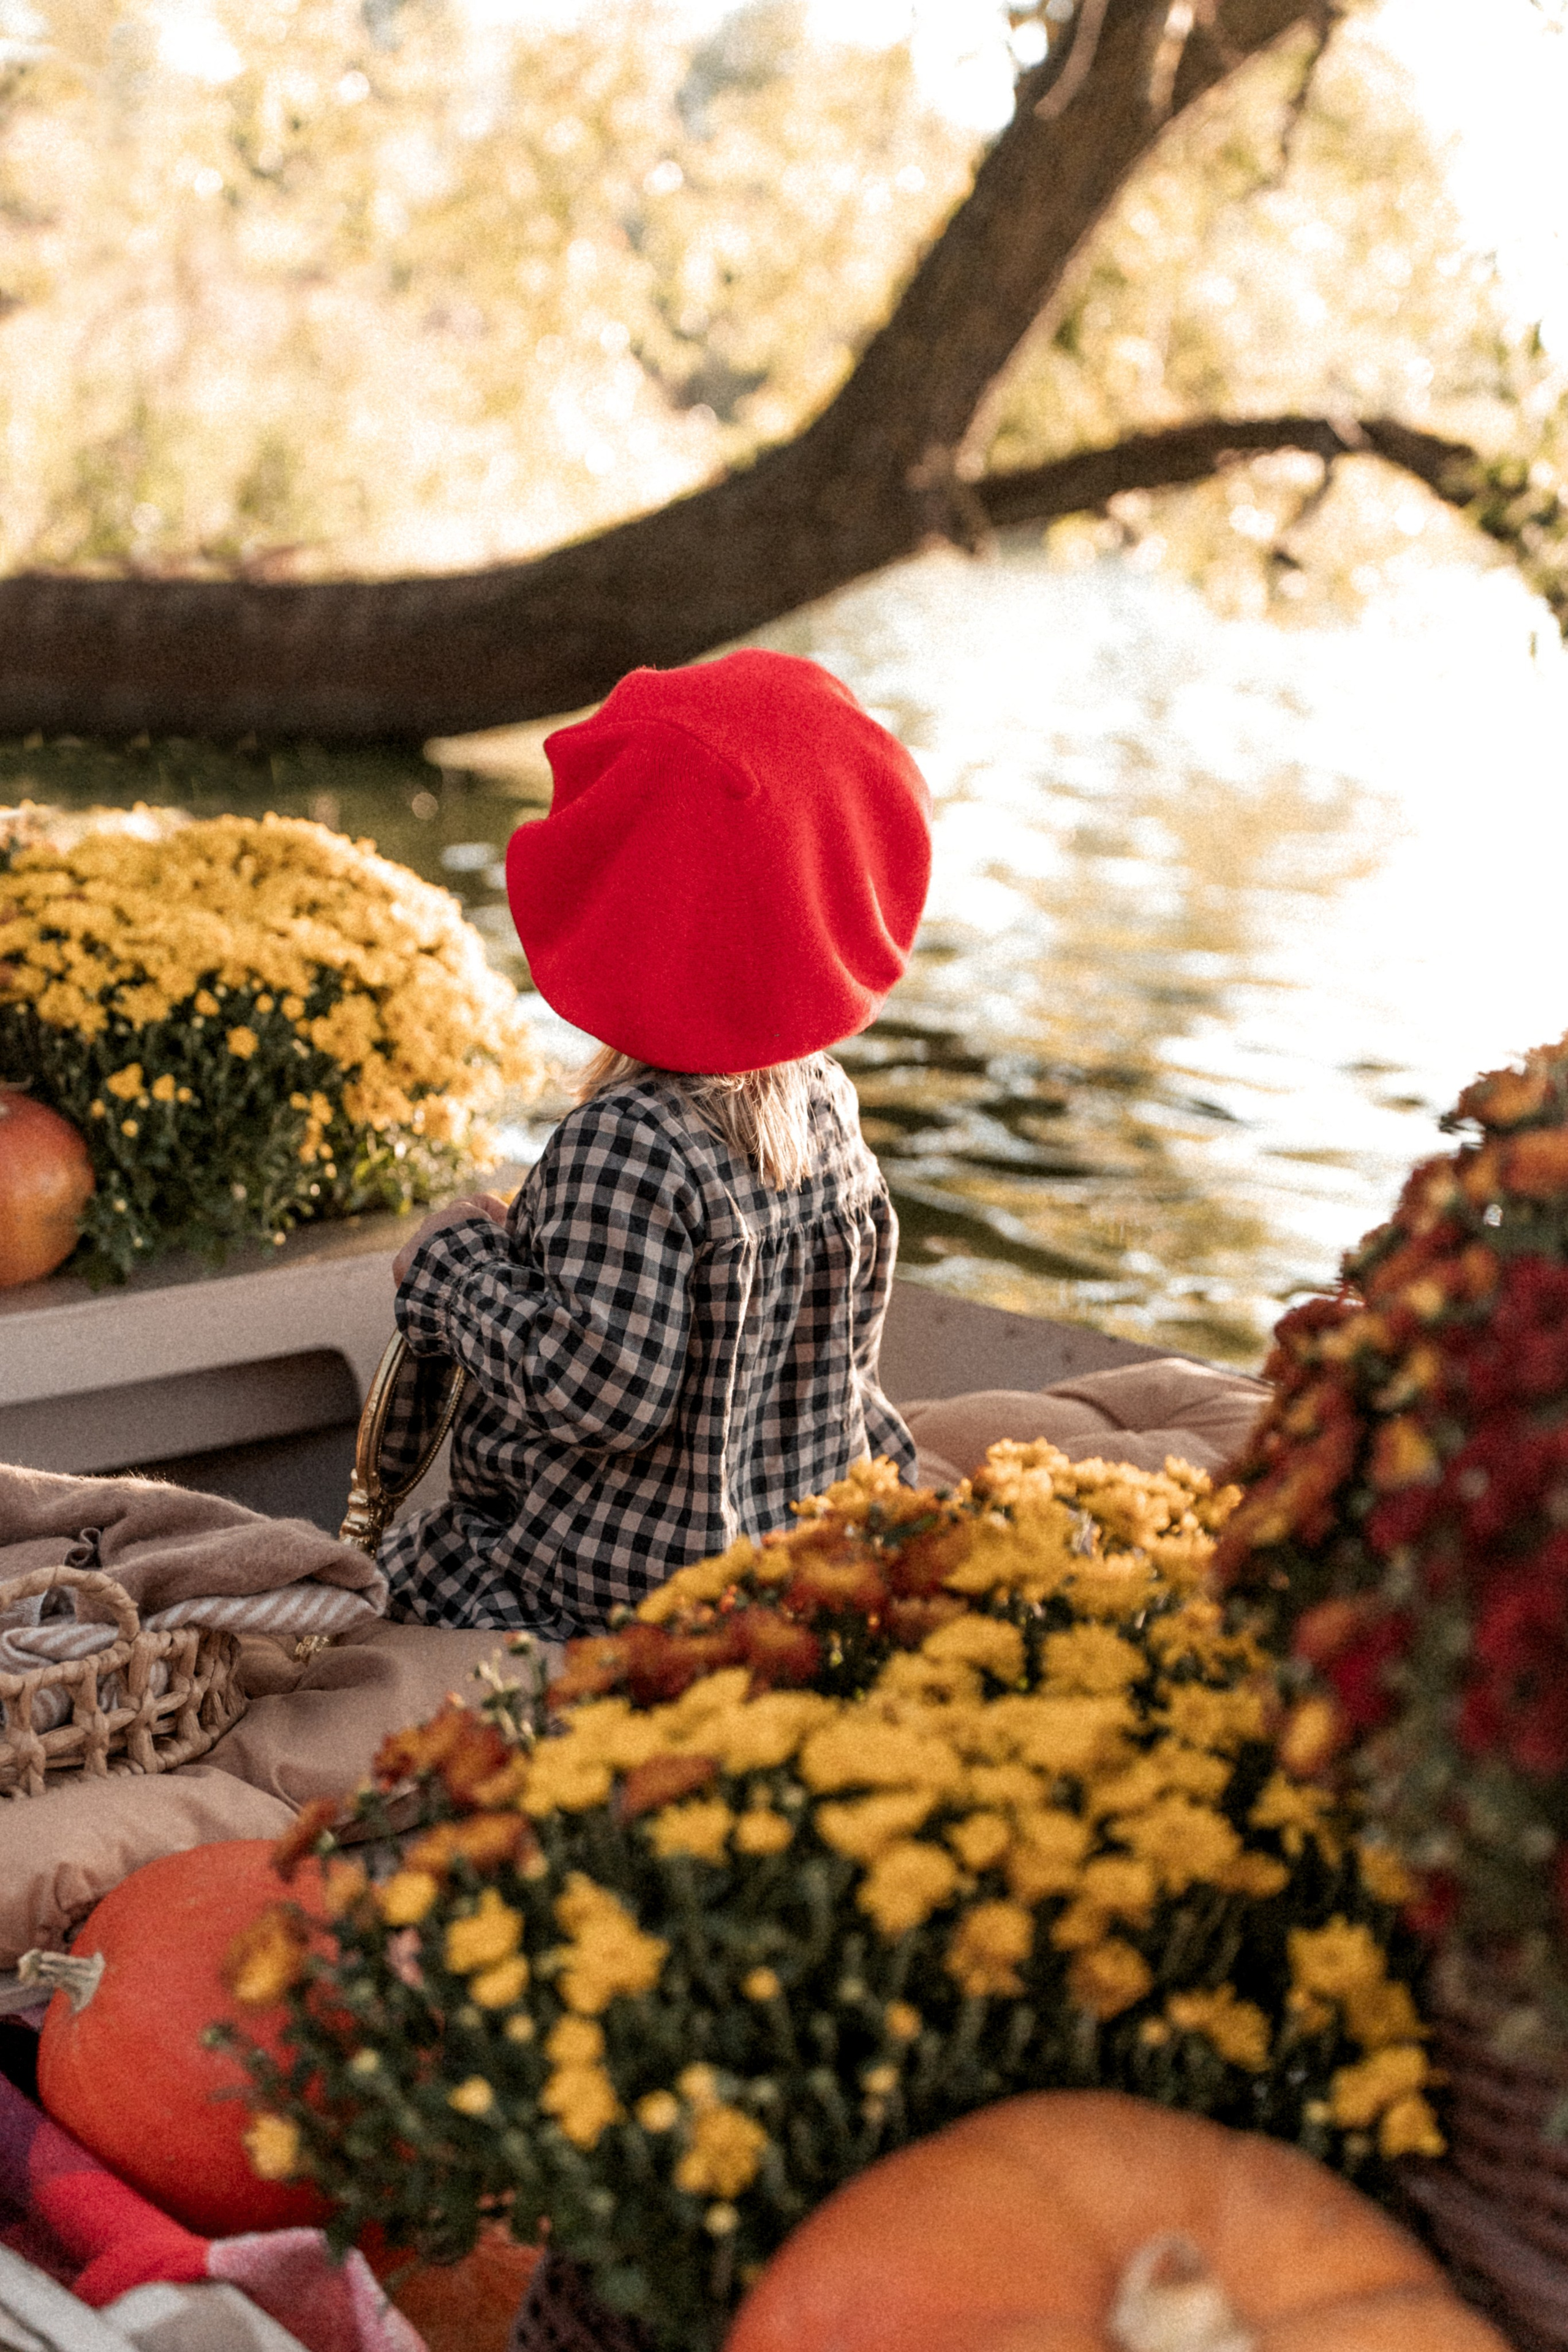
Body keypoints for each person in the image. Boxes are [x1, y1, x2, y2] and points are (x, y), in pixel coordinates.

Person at [380, 647, 932, 1637]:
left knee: (391, 1575)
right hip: (781, 1561)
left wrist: (454, 1270)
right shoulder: (826, 1109)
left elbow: (598, 1392)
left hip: (600, 1592)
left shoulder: (626, 1143)